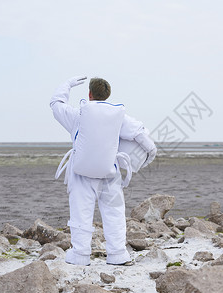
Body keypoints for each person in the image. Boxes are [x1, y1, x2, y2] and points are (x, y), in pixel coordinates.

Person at [50, 76, 156, 266]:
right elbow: (141, 136)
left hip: (81, 172)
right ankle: (118, 254)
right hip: (110, 172)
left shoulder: (78, 115)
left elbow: (56, 104)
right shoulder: (118, 116)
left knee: (80, 213)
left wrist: (67, 84)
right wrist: (149, 156)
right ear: (108, 96)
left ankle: (80, 255)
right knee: (114, 212)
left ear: (89, 94)